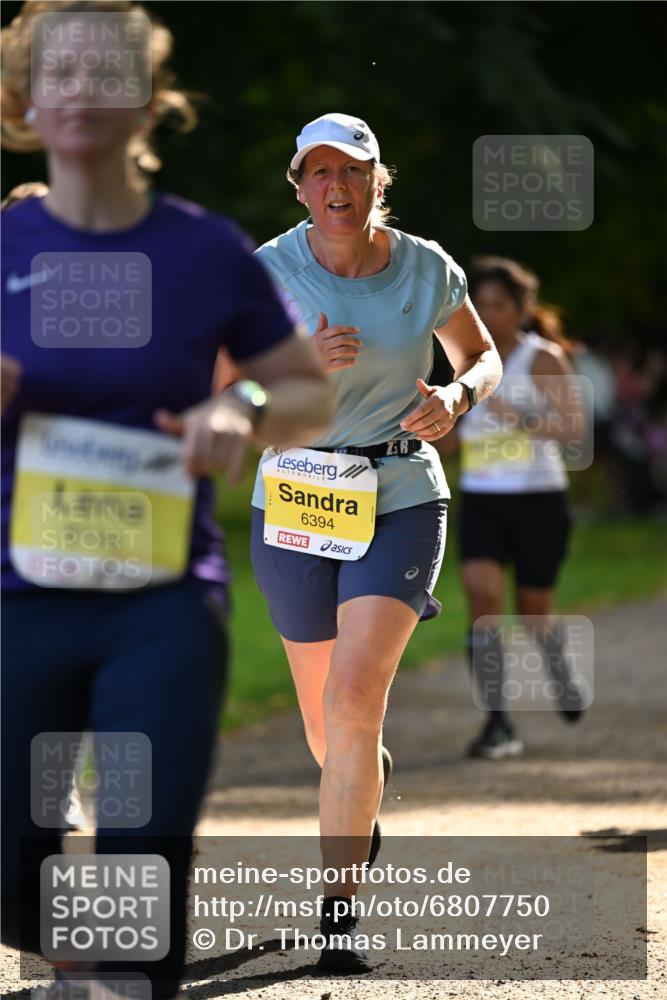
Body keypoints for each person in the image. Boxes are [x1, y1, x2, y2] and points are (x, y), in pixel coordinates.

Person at [0, 3, 331, 999]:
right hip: (18, 594)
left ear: (150, 101)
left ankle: (119, 976)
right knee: (14, 856)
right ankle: (64, 944)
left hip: (162, 595)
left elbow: (305, 387)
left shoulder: (206, 250)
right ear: (25, 99)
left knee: (144, 837)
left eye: (107, 73)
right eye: (59, 73)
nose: (81, 92)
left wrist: (244, 402)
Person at [249, 112, 502, 972]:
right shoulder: (267, 271)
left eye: (349, 171)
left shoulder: (425, 266)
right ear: (299, 186)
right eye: (317, 173)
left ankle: (337, 918)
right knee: (330, 728)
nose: (334, 187)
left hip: (398, 489)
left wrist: (458, 396)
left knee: (355, 703)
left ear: (375, 181)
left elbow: (482, 354)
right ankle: (360, 791)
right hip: (297, 498)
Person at [454, 256, 588, 759]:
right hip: (482, 500)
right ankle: (497, 722)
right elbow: (449, 437)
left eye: (499, 305)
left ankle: (557, 664)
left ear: (521, 308)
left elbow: (575, 430)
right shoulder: (463, 359)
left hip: (538, 502)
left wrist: (519, 417)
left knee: (534, 614)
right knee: (483, 602)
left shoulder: (543, 357)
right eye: (480, 305)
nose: (489, 315)